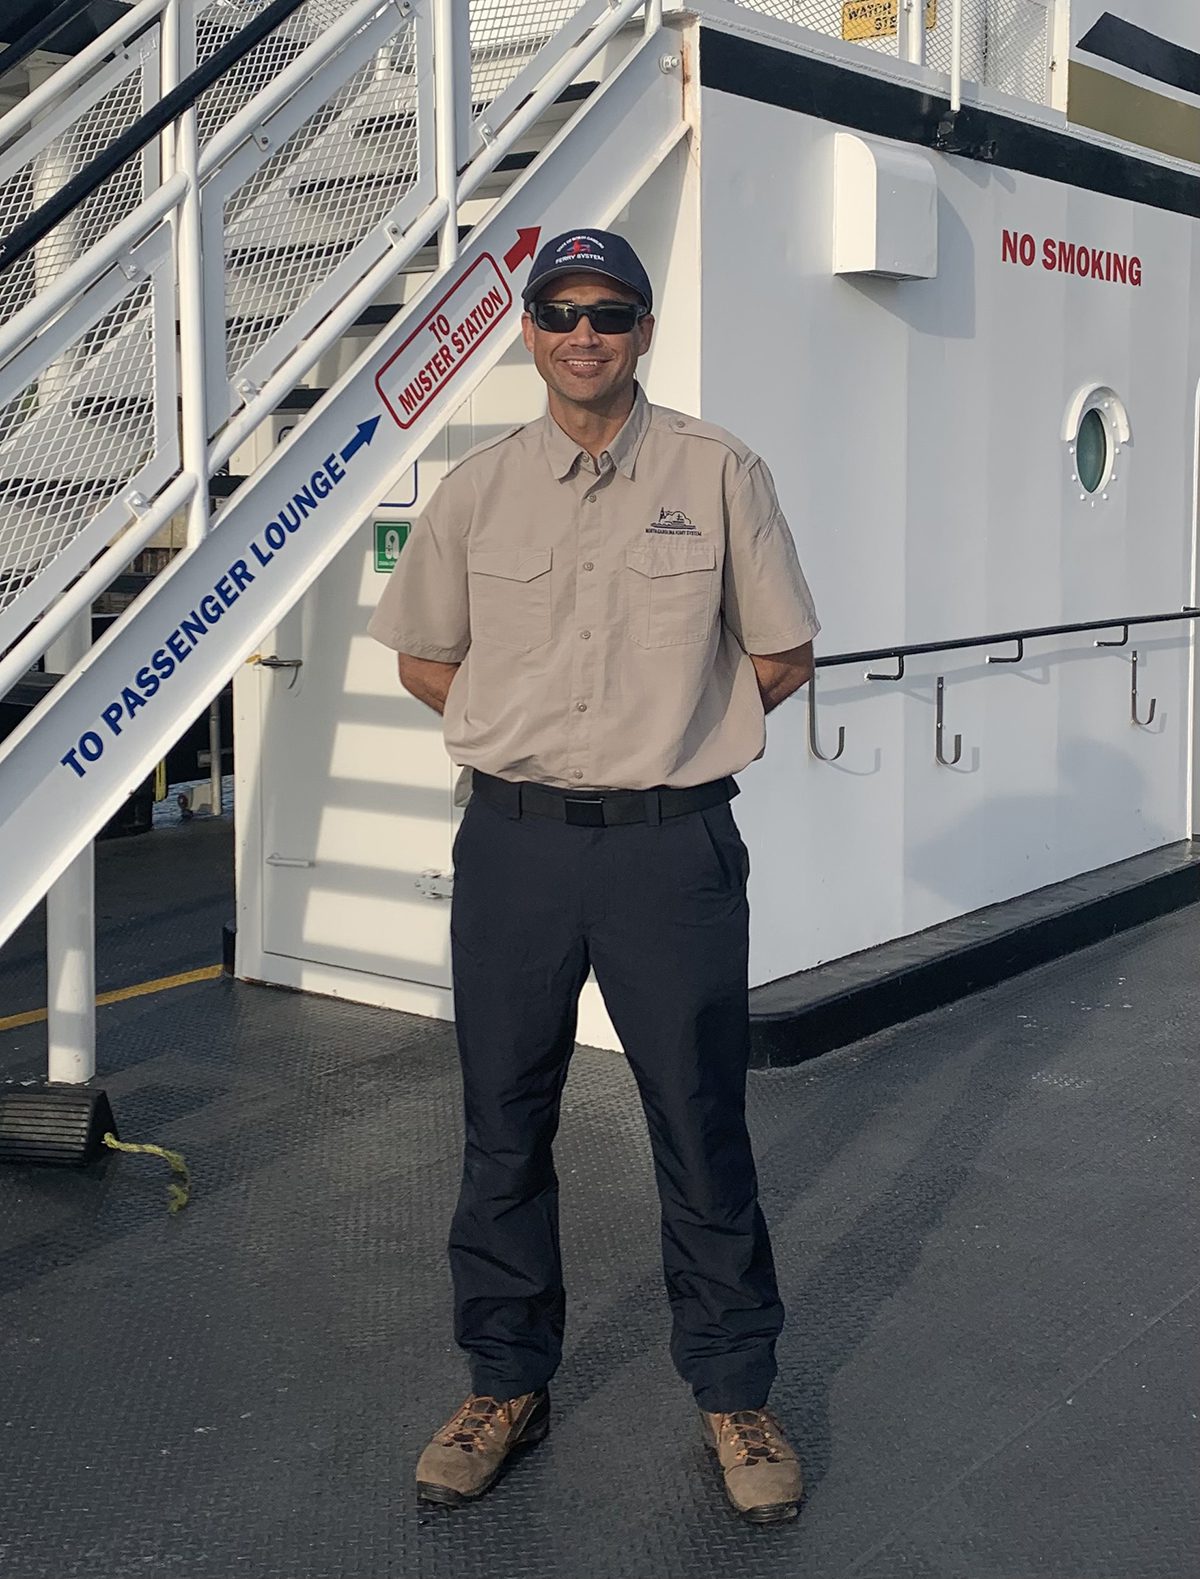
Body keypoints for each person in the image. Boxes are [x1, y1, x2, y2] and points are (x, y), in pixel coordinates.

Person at [367, 228, 820, 1525]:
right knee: (502, 1123)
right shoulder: (474, 488)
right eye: (560, 312)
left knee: (698, 1124)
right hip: (514, 846)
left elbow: (782, 652)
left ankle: (735, 1394)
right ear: (528, 328)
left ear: (643, 327)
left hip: (671, 851)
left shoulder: (718, 471)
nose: (584, 334)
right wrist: (527, 739)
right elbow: (424, 655)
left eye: (609, 312)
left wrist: (668, 735)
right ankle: (504, 1382)